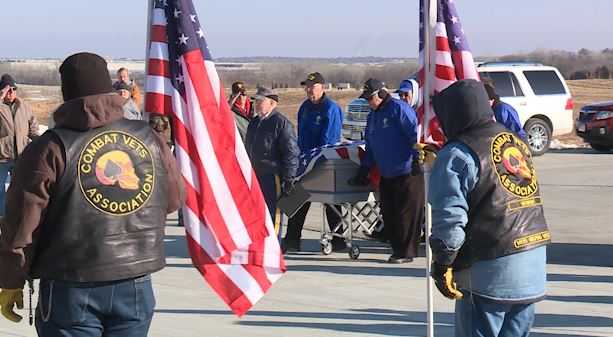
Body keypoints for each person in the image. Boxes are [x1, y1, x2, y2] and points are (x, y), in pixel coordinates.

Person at [0, 52, 184, 336]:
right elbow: (172, 200)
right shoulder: (149, 138)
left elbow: (22, 224)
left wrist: (11, 279)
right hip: (133, 280)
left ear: (66, 93)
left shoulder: (49, 148)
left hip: (70, 284)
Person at [428, 79, 550, 337]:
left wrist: (442, 263)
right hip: (532, 263)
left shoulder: (457, 154)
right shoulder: (515, 141)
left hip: (490, 269)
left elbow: (450, 221)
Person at [348, 79, 424, 263]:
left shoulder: (399, 109)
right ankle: (397, 249)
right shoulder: (373, 116)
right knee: (389, 213)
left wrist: (417, 158)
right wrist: (364, 168)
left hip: (407, 172)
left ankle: (406, 252)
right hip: (386, 172)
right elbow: (371, 144)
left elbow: (414, 134)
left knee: (405, 214)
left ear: (381, 94)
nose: (368, 103)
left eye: (370, 98)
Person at [282, 72, 345, 253]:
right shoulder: (305, 107)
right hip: (305, 160)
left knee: (332, 203)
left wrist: (316, 161)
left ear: (322, 87)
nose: (309, 90)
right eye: (307, 87)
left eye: (313, 86)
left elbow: (329, 140)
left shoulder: (330, 108)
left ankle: (338, 239)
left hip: (324, 161)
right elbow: (301, 136)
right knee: (297, 198)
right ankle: (292, 239)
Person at [245, 87, 299, 237]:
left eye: (260, 101)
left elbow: (291, 153)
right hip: (255, 175)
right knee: (256, 213)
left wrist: (289, 178)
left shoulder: (281, 123)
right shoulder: (254, 123)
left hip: (271, 176)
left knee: (271, 213)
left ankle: (274, 245)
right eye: (256, 101)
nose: (256, 104)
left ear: (272, 103)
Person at [0, 74, 39, 217]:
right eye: (7, 90)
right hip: (2, 158)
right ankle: (3, 218)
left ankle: (19, 216)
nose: (10, 93)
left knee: (21, 188)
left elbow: (33, 128)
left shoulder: (24, 106)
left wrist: (40, 143)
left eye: (13, 89)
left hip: (21, 157)